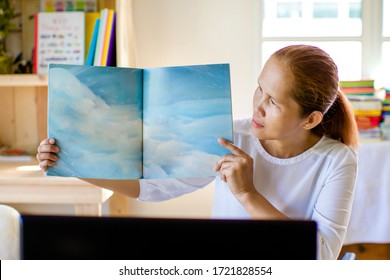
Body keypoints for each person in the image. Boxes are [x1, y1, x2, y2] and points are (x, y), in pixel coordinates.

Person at [36, 44, 359, 260]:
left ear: (311, 119)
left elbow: (323, 254)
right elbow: (152, 187)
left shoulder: (337, 159)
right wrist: (72, 164)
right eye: (260, 87)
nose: (258, 105)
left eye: (273, 101)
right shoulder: (231, 134)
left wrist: (247, 193)